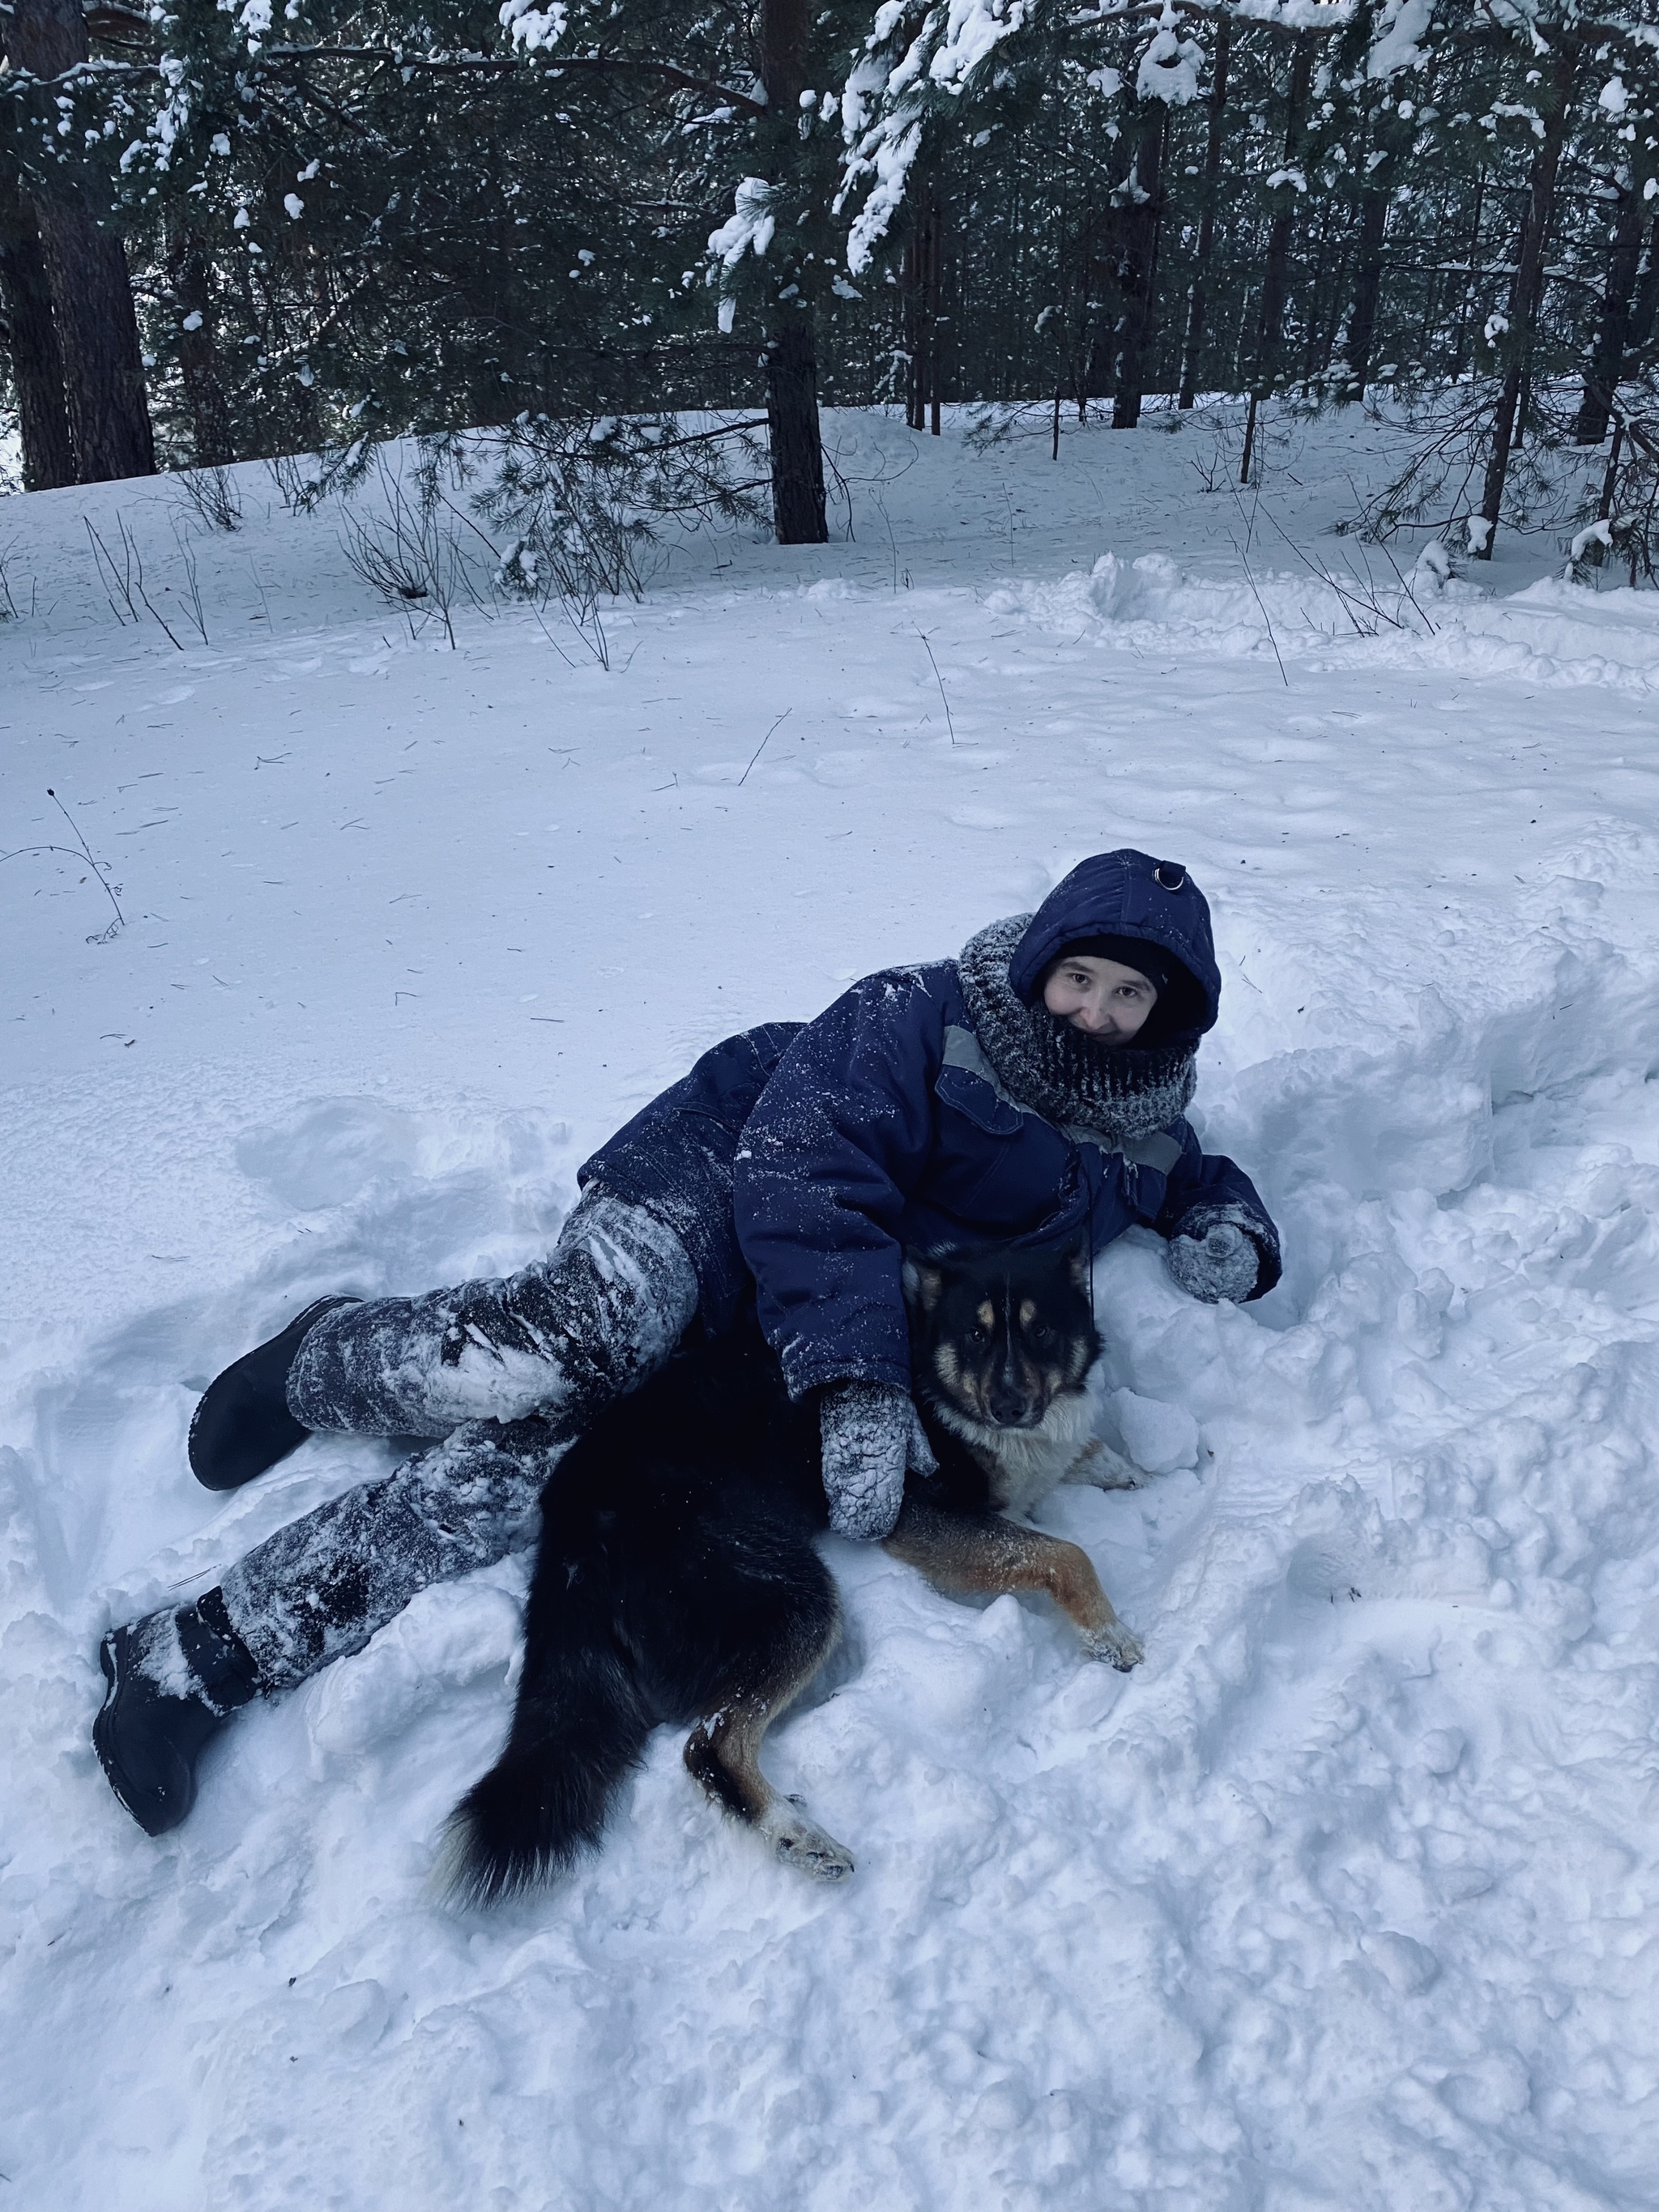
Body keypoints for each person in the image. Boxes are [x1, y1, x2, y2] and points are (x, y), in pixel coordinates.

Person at [93, 849, 1280, 1835]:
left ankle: (196, 1655)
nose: (1095, 1011)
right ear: (1039, 964)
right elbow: (809, 1175)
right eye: (1078, 977)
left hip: (785, 1319)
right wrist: (858, 1375)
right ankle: (324, 1361)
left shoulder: (1134, 1131)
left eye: (1131, 997)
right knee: (580, 1341)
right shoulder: (919, 1016)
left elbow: (1194, 1177)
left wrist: (1228, 1223)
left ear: (1167, 1019)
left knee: (564, 1466)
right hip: (727, 1176)